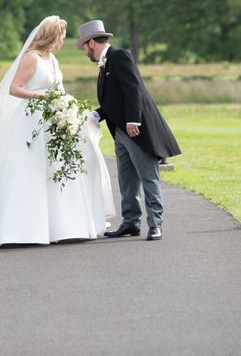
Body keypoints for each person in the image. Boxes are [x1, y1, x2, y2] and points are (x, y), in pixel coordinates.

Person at [0, 16, 115, 248]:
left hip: (53, 120)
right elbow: (14, 88)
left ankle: (60, 226)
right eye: (61, 36)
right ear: (52, 36)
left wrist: (67, 106)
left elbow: (58, 89)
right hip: (31, 120)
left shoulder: (53, 59)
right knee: (27, 170)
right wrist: (41, 96)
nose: (63, 41)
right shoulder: (31, 58)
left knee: (56, 170)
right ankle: (19, 227)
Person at [77, 20, 181, 241]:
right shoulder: (105, 63)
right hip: (121, 132)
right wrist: (96, 114)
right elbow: (114, 99)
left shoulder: (119, 56)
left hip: (136, 130)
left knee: (148, 178)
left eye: (84, 48)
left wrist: (134, 120)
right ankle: (131, 222)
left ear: (92, 42)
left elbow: (133, 89)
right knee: (126, 180)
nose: (84, 53)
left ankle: (156, 225)